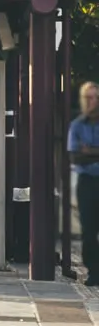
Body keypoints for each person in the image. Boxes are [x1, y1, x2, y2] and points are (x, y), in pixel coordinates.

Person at [69, 81, 99, 286]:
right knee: (89, 229)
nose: (92, 102)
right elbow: (75, 157)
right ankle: (94, 271)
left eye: (95, 97)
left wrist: (90, 151)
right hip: (87, 182)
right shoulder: (78, 125)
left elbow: (83, 154)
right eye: (88, 97)